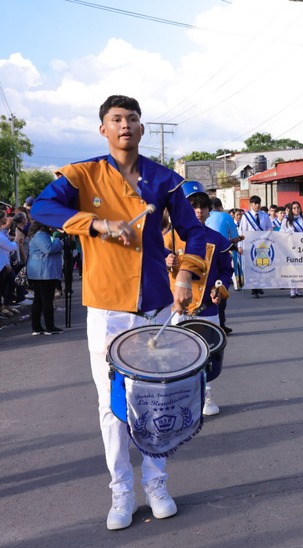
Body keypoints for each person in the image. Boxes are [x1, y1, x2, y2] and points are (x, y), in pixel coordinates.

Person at [31, 94, 207, 530]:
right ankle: (121, 490)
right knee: (112, 404)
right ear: (103, 129)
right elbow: (42, 208)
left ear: (142, 129)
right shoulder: (82, 174)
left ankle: (157, 482)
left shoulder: (165, 180)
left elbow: (194, 232)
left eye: (132, 118)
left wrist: (186, 275)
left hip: (155, 305)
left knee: (157, 397)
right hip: (107, 307)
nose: (125, 124)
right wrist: (95, 224)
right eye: (116, 119)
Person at [165, 180, 233, 415]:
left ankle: (206, 395)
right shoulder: (168, 238)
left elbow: (226, 272)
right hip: (177, 308)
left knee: (207, 354)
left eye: (203, 205)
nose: (198, 210)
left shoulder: (217, 239)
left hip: (207, 308)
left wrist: (219, 290)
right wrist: (165, 261)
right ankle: (180, 399)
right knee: (177, 356)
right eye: (193, 205)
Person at [205, 196, 241, 334]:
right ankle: (221, 323)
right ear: (220, 207)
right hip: (221, 253)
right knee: (220, 288)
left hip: (202, 255)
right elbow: (235, 237)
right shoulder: (226, 217)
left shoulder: (203, 218)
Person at [26, 221, 64, 335]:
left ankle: (37, 327)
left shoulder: (38, 234)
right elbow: (48, 249)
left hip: (40, 271)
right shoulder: (41, 235)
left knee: (39, 300)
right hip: (44, 272)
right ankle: (49, 326)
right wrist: (58, 241)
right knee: (46, 300)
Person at [239, 195, 272, 297]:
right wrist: (240, 245)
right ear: (251, 204)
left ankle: (259, 285)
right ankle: (254, 287)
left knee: (261, 265)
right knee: (252, 265)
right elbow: (242, 231)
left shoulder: (264, 216)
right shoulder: (246, 217)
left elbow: (269, 228)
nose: (257, 205)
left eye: (259, 203)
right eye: (255, 203)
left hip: (262, 245)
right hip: (250, 245)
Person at [281, 201, 303, 298]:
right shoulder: (286, 220)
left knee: (301, 268)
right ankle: (292, 289)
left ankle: (298, 289)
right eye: (294, 208)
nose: (296, 210)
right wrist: (287, 232)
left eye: (298, 208)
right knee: (292, 268)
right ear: (291, 209)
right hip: (291, 246)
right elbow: (281, 231)